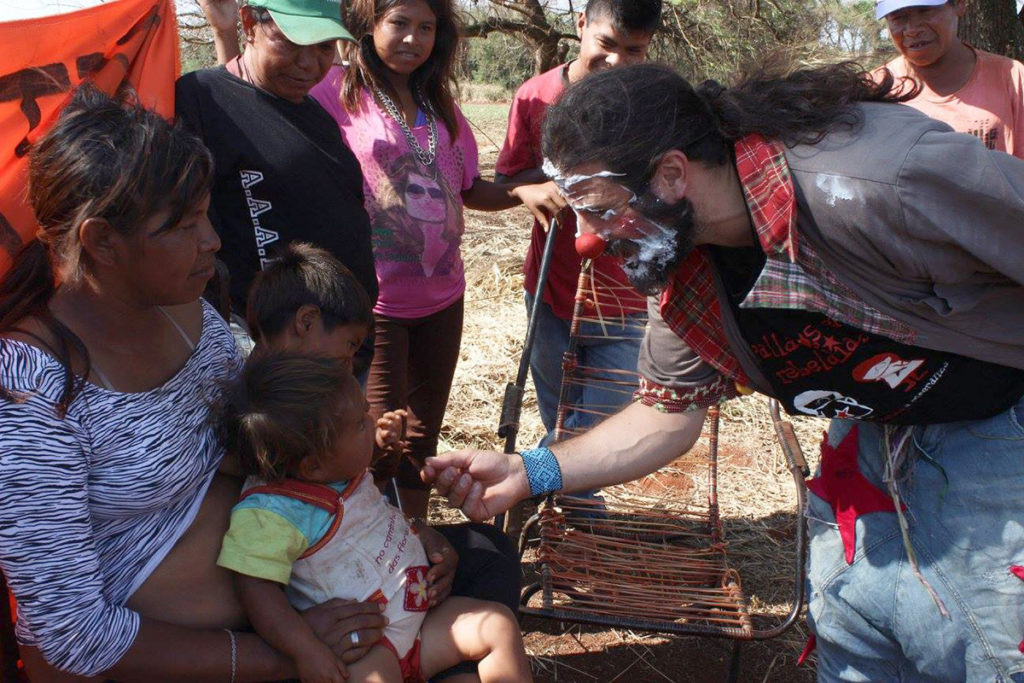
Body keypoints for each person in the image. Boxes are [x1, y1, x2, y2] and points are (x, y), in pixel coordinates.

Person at [424, 62, 1024, 682]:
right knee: (859, 636)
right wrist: (529, 472)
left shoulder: (882, 178)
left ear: (672, 174)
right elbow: (665, 415)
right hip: (868, 442)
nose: (587, 240)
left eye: (601, 210)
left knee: (991, 648)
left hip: (1000, 431)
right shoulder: (684, 269)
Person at [0, 87, 385, 681]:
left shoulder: (192, 310)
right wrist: (285, 654)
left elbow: (249, 453)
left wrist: (388, 546)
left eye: (206, 213)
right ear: (102, 241)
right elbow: (71, 635)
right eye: (182, 225)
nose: (212, 239)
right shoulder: (32, 393)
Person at [304, 0, 564, 519]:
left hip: (444, 294)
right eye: (399, 23)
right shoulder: (334, 93)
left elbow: (468, 188)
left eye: (426, 28)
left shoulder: (436, 101)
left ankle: (413, 531)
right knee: (376, 435)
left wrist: (522, 192)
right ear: (369, 25)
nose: (412, 39)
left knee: (422, 431)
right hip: (374, 301)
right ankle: (367, 544)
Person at [219, 352, 533, 683]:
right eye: (360, 423)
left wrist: (380, 447)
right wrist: (306, 649)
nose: (371, 420)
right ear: (313, 465)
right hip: (370, 652)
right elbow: (256, 589)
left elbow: (370, 512)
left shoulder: (335, 471)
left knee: (497, 624)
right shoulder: (269, 515)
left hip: (420, 626)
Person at [176, 0, 379, 377]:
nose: (308, 64)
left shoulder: (314, 113)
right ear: (250, 22)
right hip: (276, 356)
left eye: (323, 47)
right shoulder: (200, 97)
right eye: (291, 42)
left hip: (339, 345)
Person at [495, 0, 661, 446]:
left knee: (600, 426)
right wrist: (549, 185)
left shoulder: (653, 108)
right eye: (607, 43)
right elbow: (509, 179)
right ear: (582, 23)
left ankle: (537, 479)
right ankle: (571, 512)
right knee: (562, 418)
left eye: (634, 50)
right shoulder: (536, 96)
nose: (617, 62)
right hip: (550, 295)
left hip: (627, 302)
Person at [874, 0, 1024, 157]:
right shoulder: (875, 90)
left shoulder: (1011, 77)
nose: (912, 30)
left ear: (959, 4)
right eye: (898, 17)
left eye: (925, 10)